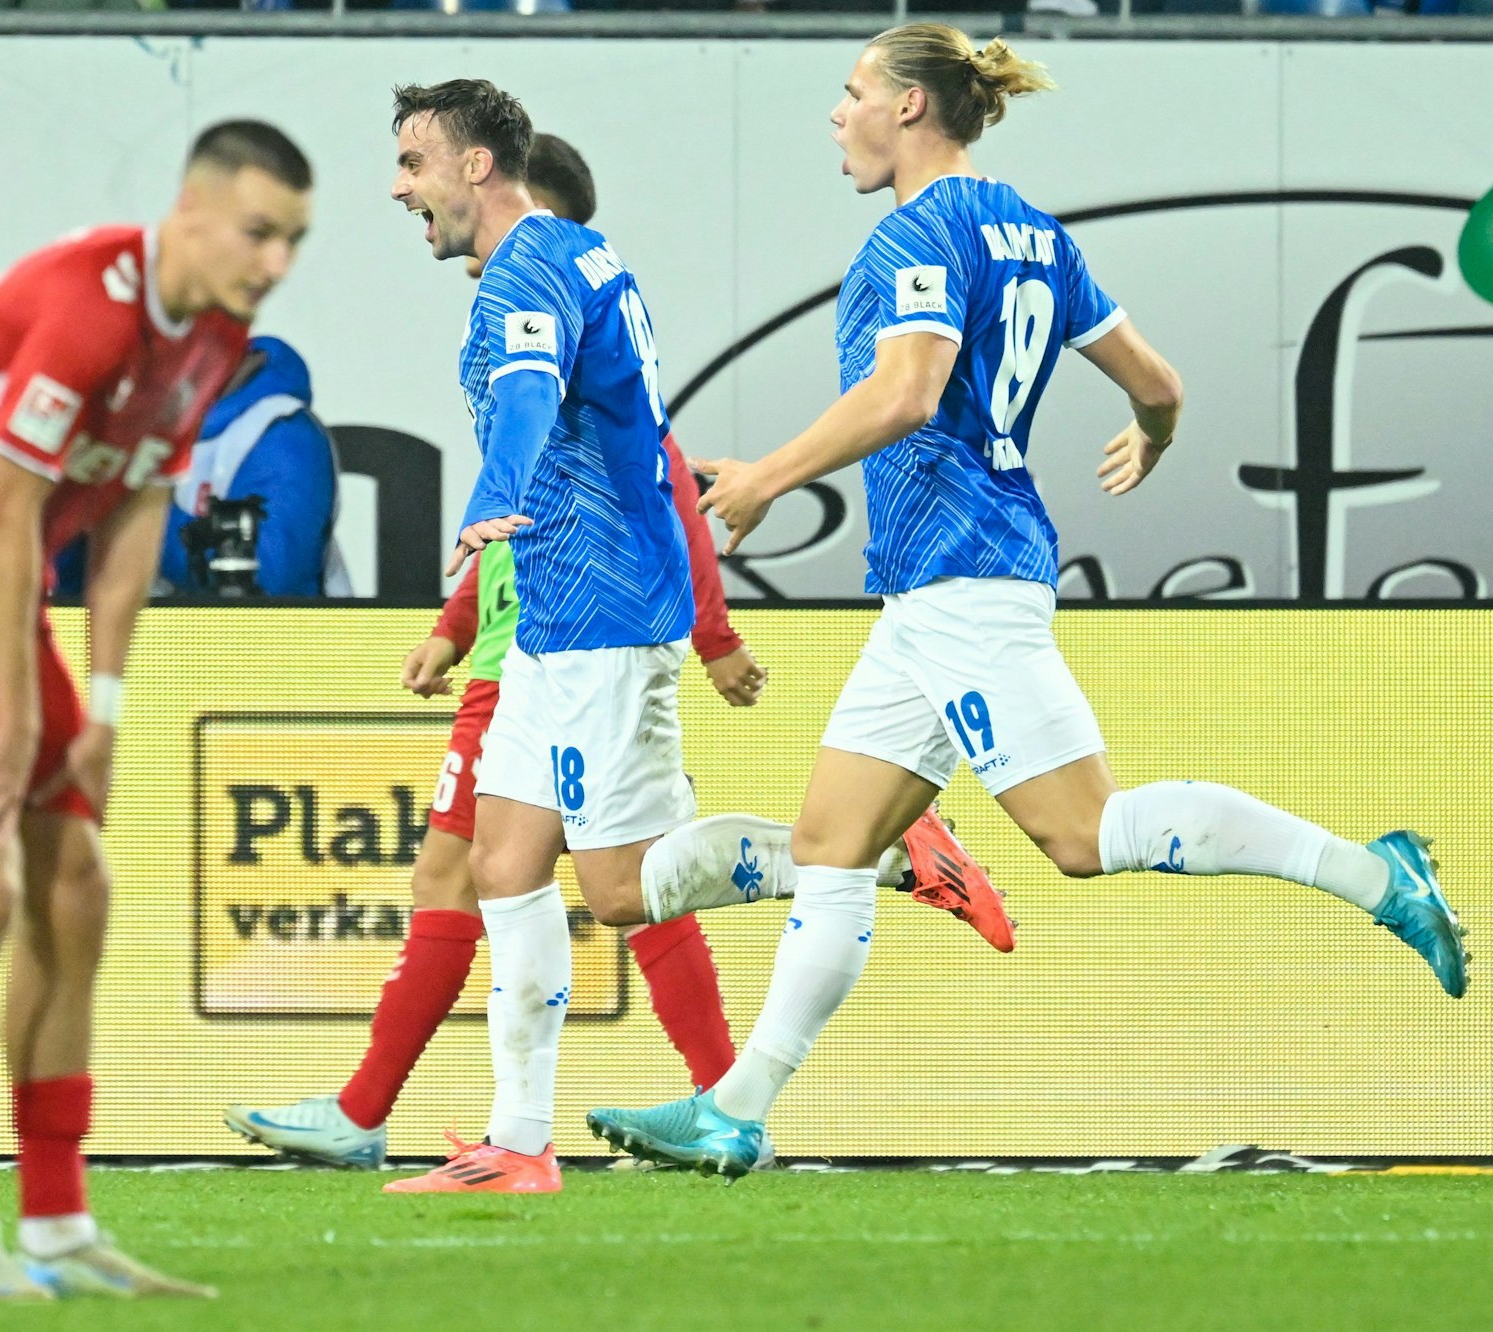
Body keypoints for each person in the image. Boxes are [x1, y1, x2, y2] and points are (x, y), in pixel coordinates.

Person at [586, 24, 1469, 1180]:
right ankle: (735, 1110)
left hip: (965, 575)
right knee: (831, 845)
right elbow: (1161, 383)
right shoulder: (1037, 232)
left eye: (852, 92)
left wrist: (768, 477)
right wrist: (1152, 436)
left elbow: (906, 394)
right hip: (934, 591)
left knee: (1083, 834)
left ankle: (1376, 873)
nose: (838, 115)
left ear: (909, 107)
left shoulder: (921, 229)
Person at [379, 83, 1013, 1197]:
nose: (400, 188)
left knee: (620, 892)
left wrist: (494, 495)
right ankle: (519, 1144)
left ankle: (881, 850)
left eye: (413, 163)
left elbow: (525, 397)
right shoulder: (579, 253)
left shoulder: (526, 271)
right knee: (504, 865)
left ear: (477, 166)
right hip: (559, 615)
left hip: (605, 616)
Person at [0, 120, 312, 1299]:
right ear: (190, 212)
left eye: (294, 239)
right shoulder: (92, 303)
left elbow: (135, 515)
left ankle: (56, 1225)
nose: (277, 261)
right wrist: (21, 719)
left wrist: (107, 706)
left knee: (78, 888)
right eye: (258, 232)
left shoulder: (216, 338)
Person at [52, 334, 349, 598]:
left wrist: (130, 503)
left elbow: (266, 580)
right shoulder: (129, 424)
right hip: (150, 639)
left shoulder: (281, 432)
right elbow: (75, 595)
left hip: (275, 643)